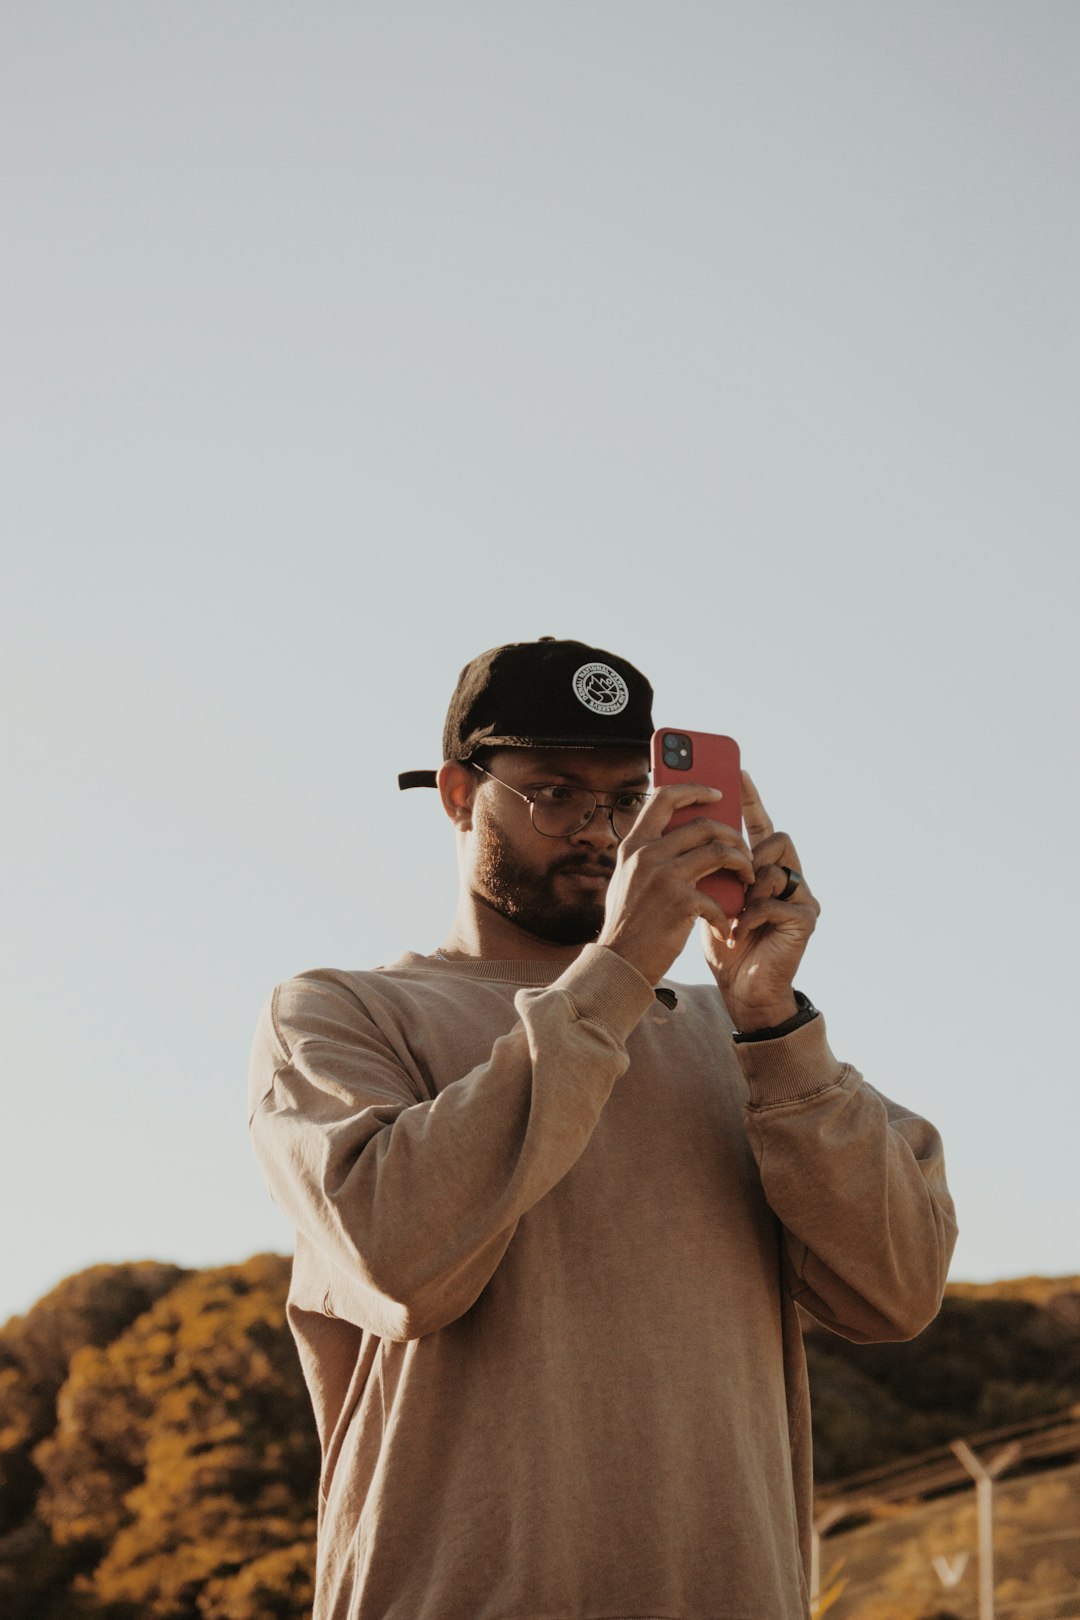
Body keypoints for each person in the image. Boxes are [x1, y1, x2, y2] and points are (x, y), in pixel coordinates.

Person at [247, 636, 957, 1620]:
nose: (601, 832)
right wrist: (621, 964)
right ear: (458, 794)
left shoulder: (746, 1041)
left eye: (629, 799)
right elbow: (396, 1258)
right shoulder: (337, 1014)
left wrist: (770, 1020)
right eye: (555, 792)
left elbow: (900, 1290)